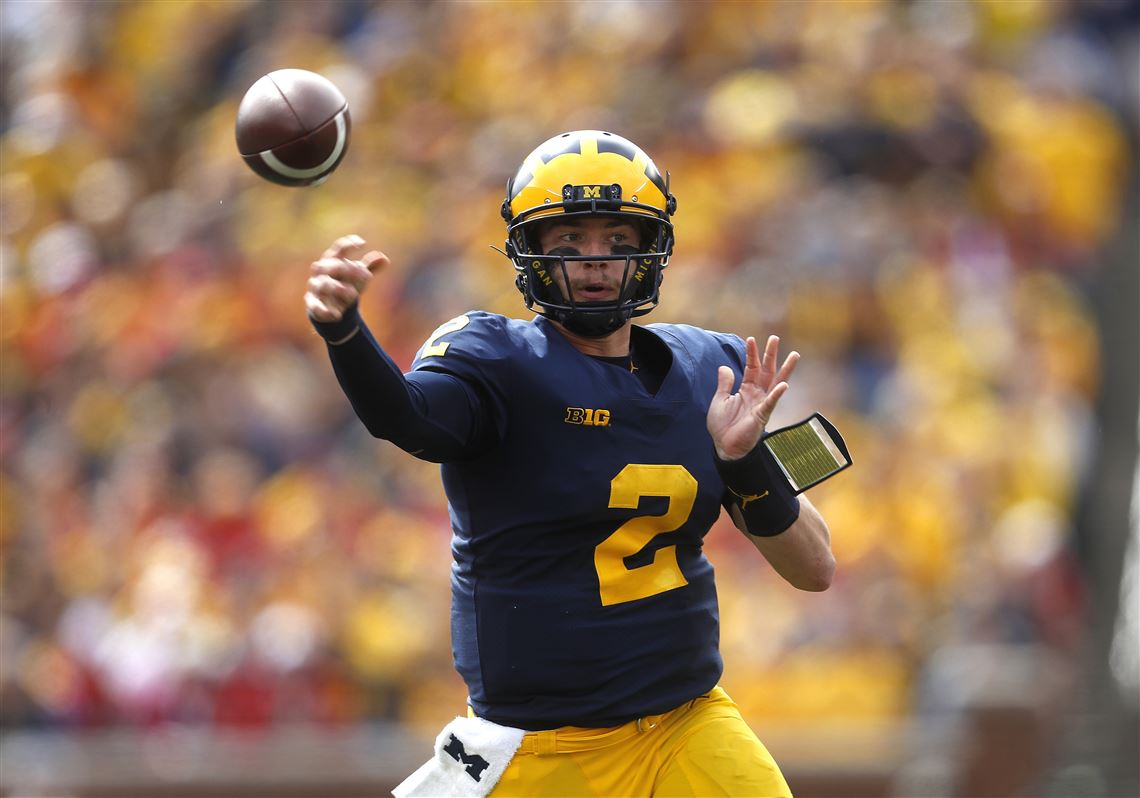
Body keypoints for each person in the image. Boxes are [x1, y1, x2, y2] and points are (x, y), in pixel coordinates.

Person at [305, 130, 837, 797]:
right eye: (568, 243)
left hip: (687, 725)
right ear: (529, 253)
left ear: (652, 248)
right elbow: (406, 417)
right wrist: (347, 334)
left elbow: (815, 567)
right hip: (539, 748)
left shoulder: (716, 370)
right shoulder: (498, 361)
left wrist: (746, 461)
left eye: (616, 240)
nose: (594, 262)